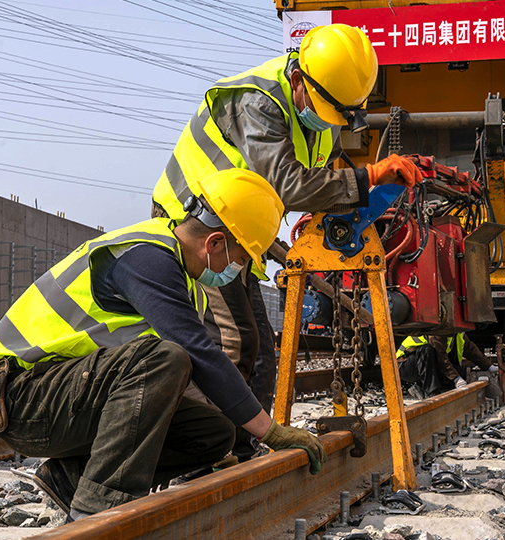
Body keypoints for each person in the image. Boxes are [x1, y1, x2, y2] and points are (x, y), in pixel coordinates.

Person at [0, 170, 327, 522]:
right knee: (164, 358)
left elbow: (176, 380)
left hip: (63, 397)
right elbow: (197, 354)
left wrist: (231, 439)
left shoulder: (183, 280)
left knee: (214, 434)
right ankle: (96, 513)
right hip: (19, 399)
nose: (239, 269)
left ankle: (71, 479)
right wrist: (272, 432)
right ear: (214, 243)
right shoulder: (146, 258)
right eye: (243, 258)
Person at [150, 24, 420, 457]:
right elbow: (289, 184)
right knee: (232, 341)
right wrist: (370, 176)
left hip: (235, 229)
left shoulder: (322, 112)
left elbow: (323, 176)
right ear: (299, 79)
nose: (329, 122)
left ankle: (236, 453)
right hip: (195, 227)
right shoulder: (256, 102)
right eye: (325, 109)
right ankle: (209, 455)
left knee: (253, 345)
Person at [396, 333, 498, 399]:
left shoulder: (458, 333)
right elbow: (442, 359)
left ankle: (419, 387)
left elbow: (471, 350)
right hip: (406, 366)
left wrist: (489, 366)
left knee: (461, 373)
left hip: (423, 366)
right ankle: (431, 393)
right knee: (427, 350)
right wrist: (456, 378)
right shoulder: (436, 332)